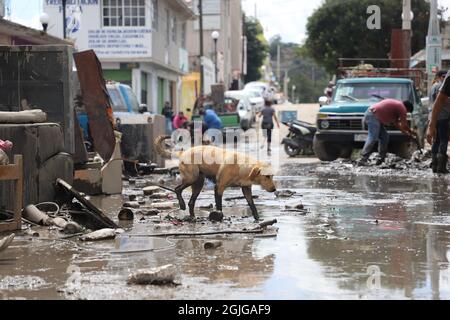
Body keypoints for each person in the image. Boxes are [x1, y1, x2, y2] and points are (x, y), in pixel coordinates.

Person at [358, 99, 415, 166]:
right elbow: (404, 124)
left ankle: (381, 158)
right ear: (407, 108)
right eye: (407, 112)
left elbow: (396, 124)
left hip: (374, 115)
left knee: (384, 137)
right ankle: (363, 159)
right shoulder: (402, 107)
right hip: (372, 115)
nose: (405, 113)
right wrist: (411, 131)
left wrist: (406, 133)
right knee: (373, 137)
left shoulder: (397, 106)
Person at [427, 71, 450, 174]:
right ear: (441, 77)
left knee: (436, 140)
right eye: (444, 77)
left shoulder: (433, 86)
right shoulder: (440, 86)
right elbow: (442, 100)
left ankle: (435, 165)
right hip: (443, 117)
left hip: (434, 117)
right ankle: (441, 167)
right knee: (443, 140)